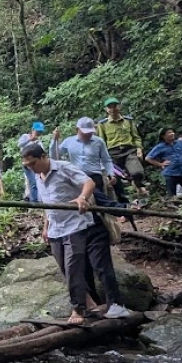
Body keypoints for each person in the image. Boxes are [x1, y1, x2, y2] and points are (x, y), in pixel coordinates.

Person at [21, 141, 131, 325]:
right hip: (57, 228)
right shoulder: (38, 178)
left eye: (33, 163)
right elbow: (48, 204)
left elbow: (87, 182)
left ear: (43, 157)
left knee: (77, 266)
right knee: (65, 268)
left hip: (76, 225)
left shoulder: (64, 168)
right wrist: (46, 227)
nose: (31, 168)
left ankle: (80, 308)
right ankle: (90, 303)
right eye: (27, 166)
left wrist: (82, 197)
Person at [96, 98, 148, 201]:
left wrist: (139, 149)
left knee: (138, 172)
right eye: (110, 107)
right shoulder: (102, 124)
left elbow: (136, 137)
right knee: (115, 180)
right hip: (113, 153)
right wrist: (102, 156)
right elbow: (101, 141)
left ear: (119, 107)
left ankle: (138, 185)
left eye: (115, 106)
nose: (113, 109)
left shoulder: (128, 120)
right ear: (106, 109)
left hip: (129, 150)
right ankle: (123, 204)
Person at [51, 117, 115, 192]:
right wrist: (54, 140)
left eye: (90, 132)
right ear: (77, 130)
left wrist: (111, 174)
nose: (88, 134)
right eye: (85, 132)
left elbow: (106, 160)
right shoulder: (69, 141)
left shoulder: (99, 142)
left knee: (96, 193)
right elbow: (55, 156)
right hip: (76, 175)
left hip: (94, 175)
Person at [20, 121, 46, 202]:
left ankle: (32, 199)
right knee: (33, 182)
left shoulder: (39, 142)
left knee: (35, 182)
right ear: (32, 129)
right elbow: (19, 145)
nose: (38, 133)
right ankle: (34, 201)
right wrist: (30, 139)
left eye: (40, 132)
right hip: (27, 164)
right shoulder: (25, 136)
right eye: (37, 131)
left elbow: (42, 152)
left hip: (36, 164)